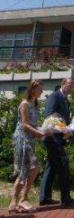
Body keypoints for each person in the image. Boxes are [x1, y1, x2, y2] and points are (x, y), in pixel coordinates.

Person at [8, 80, 52, 214]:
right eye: (40, 89)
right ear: (32, 90)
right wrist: (41, 133)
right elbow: (25, 125)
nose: (42, 92)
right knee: (32, 168)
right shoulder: (24, 104)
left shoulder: (34, 104)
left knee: (27, 169)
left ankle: (16, 201)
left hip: (30, 139)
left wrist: (47, 129)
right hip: (22, 140)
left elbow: (32, 124)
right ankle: (21, 199)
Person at [39, 78, 74, 206]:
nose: (71, 87)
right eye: (70, 85)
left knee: (51, 166)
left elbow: (64, 118)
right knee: (63, 165)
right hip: (52, 138)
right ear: (63, 84)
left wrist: (70, 128)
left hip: (59, 137)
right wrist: (63, 128)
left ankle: (44, 198)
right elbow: (50, 117)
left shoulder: (66, 100)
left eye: (73, 85)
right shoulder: (54, 96)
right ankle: (65, 197)